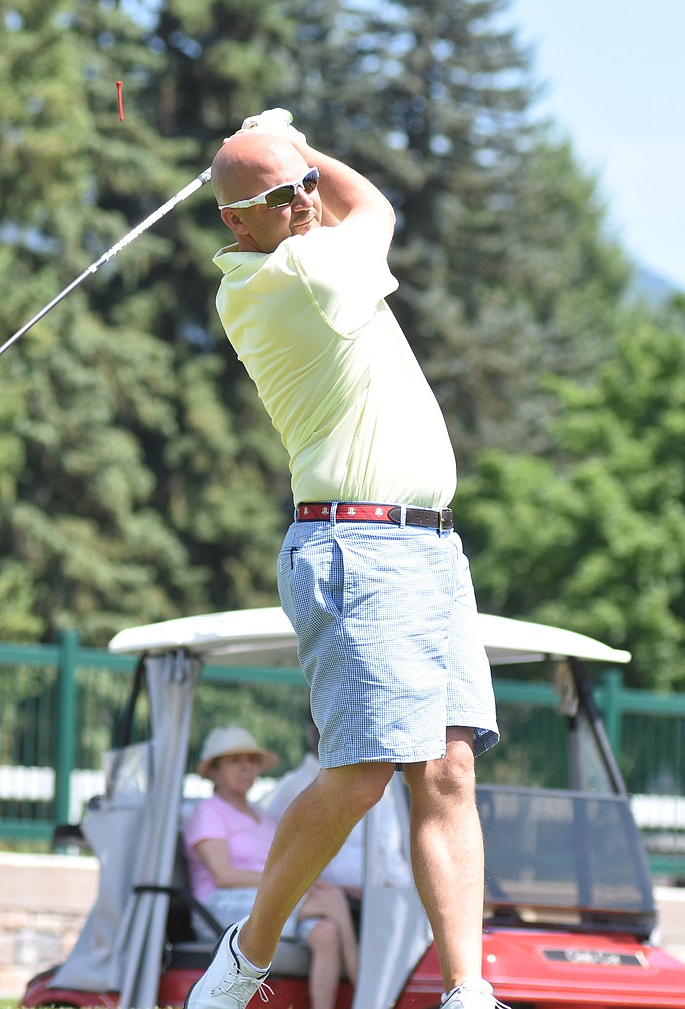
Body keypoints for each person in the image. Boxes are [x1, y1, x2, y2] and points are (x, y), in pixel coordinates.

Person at [186, 109, 501, 1009]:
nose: (304, 202)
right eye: (282, 197)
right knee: (364, 771)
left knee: (448, 769)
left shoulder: (306, 246)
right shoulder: (298, 274)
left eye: (303, 190)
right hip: (359, 547)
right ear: (236, 221)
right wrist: (295, 137)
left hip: (430, 547)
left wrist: (286, 157)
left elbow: (340, 202)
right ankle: (242, 963)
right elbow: (380, 207)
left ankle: (467, 991)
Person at [184, 725, 357, 1009]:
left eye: (251, 761)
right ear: (214, 770)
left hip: (256, 898)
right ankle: (369, 994)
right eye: (235, 761)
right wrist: (294, 887)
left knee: (327, 931)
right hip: (217, 905)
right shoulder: (208, 811)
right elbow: (223, 875)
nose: (246, 768)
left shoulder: (262, 818)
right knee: (331, 903)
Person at [266, 717, 412, 904]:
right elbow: (285, 857)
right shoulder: (295, 789)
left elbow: (388, 853)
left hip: (384, 898)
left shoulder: (378, 785)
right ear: (314, 732)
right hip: (337, 899)